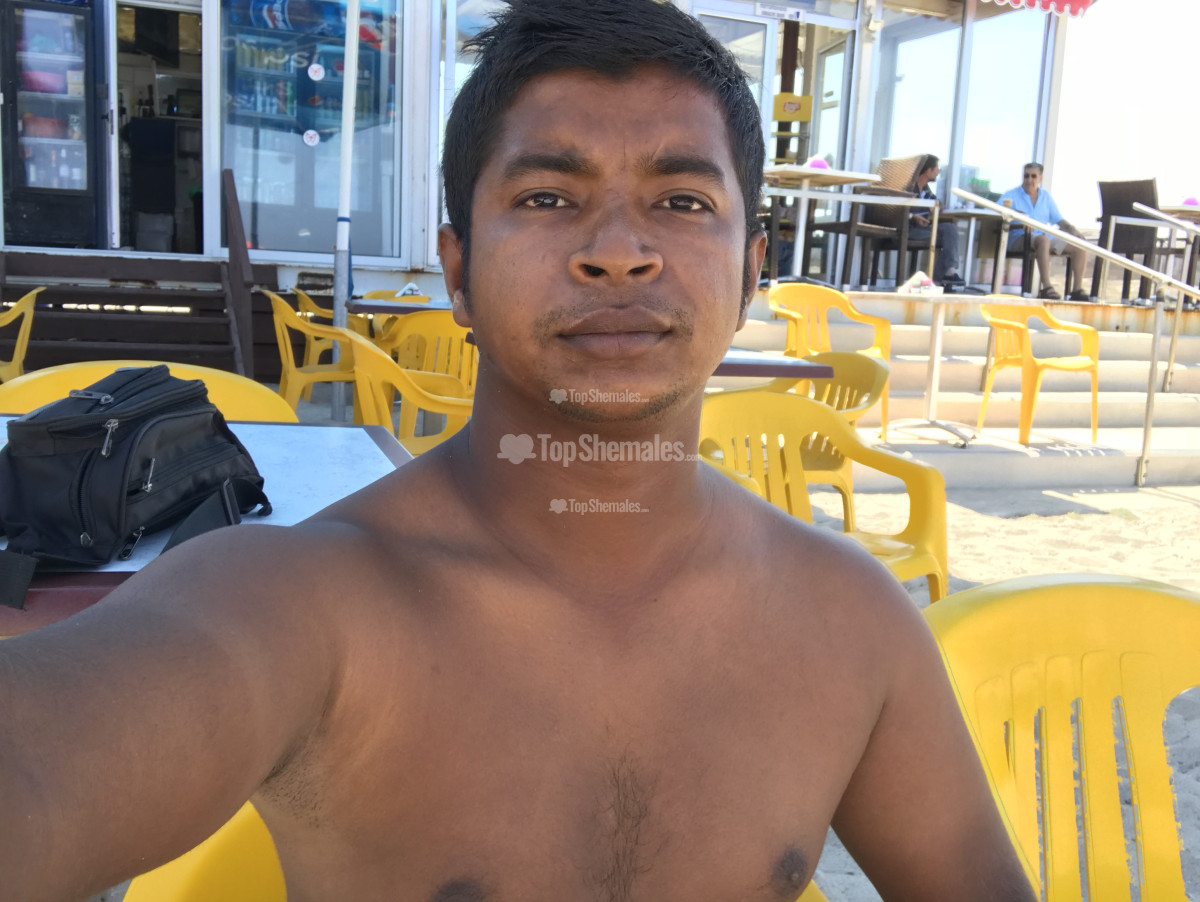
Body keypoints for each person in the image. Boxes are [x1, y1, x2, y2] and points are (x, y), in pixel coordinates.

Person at [0, 2, 1036, 900]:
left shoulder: (849, 621)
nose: (619, 250)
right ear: (457, 271)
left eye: (682, 200)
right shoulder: (303, 603)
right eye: (547, 197)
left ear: (752, 269)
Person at [1000, 162, 1090, 301]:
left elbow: (1059, 219)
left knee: (1079, 245)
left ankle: (1077, 290)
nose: (1029, 180)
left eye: (1033, 176)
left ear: (1040, 178)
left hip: (1044, 236)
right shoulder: (1011, 194)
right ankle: (1046, 288)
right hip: (1019, 236)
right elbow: (996, 209)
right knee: (1044, 240)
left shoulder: (1045, 196)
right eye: (1026, 176)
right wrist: (1019, 216)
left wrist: (1072, 230)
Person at [908, 154, 964, 288]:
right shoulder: (908, 187)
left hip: (922, 228)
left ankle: (947, 273)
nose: (938, 172)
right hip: (908, 228)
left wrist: (936, 207)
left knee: (950, 230)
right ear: (928, 171)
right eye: (936, 168)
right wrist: (913, 217)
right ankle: (939, 279)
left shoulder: (925, 190)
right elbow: (896, 208)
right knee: (949, 238)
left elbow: (939, 203)